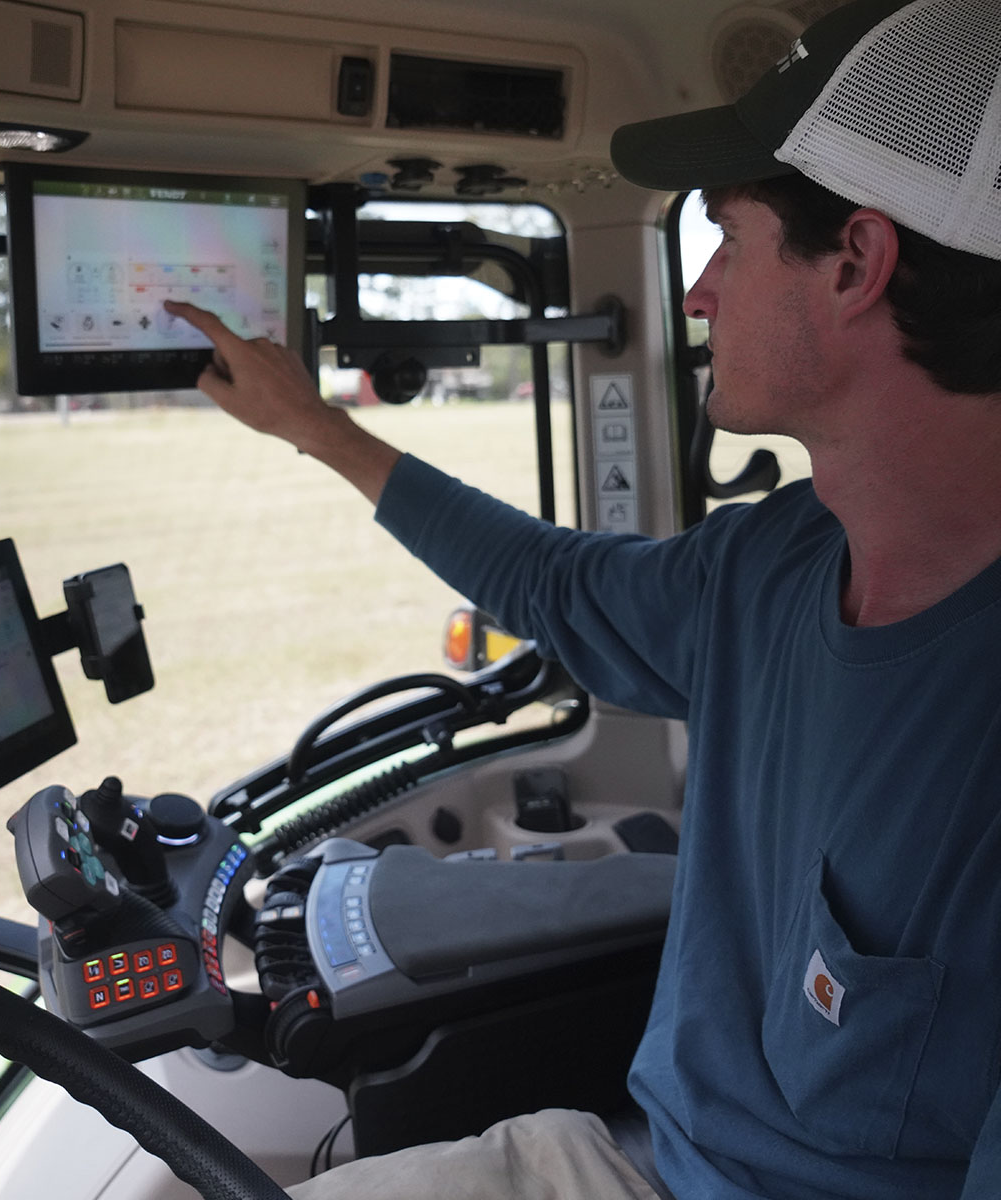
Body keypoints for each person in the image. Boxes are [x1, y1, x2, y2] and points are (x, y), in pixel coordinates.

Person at [165, 0, 1001, 1195]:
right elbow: (548, 583)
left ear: (859, 263)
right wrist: (314, 428)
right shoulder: (772, 564)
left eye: (729, 238)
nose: (700, 292)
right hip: (640, 1162)